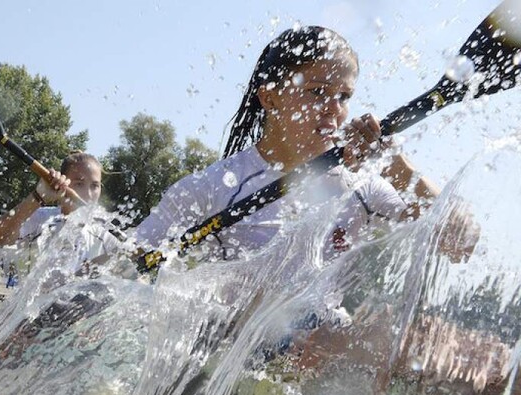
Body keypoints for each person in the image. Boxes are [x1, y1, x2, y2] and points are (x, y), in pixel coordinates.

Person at [136, 26, 447, 264]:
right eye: (316, 92)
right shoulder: (211, 188)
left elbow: (457, 242)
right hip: (237, 341)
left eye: (344, 96)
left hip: (325, 339)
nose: (333, 108)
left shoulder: (361, 186)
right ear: (269, 97)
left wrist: (396, 165)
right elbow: (127, 267)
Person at [0, 152, 135, 280]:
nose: (88, 194)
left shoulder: (105, 236)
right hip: (33, 310)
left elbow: (136, 278)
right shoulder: (41, 219)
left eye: (94, 186)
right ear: (63, 184)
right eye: (79, 184)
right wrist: (37, 197)